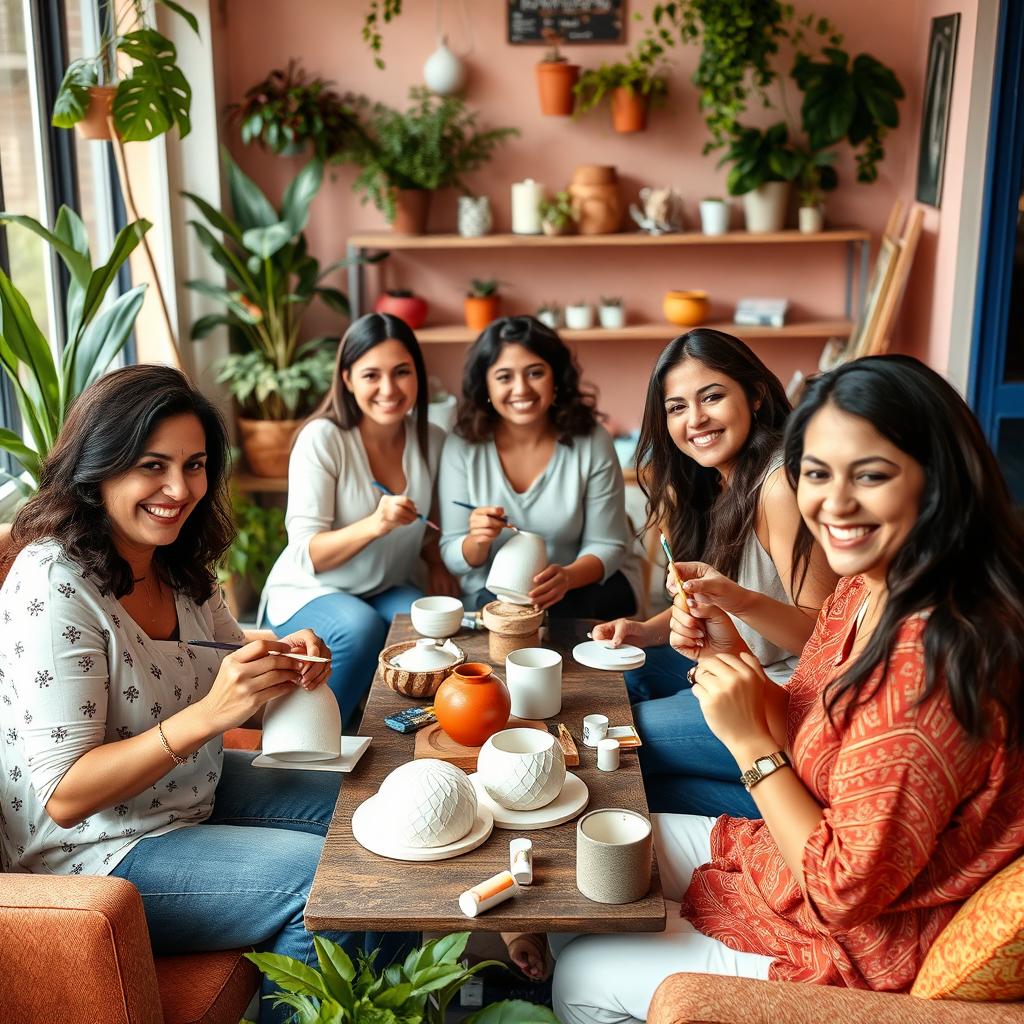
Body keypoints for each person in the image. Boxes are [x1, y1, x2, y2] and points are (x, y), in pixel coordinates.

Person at [550, 355, 1024, 1024]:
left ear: (940, 481)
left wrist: (748, 743)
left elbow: (839, 893)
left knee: (585, 970)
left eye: (872, 475)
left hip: (866, 939)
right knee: (593, 864)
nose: (834, 503)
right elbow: (804, 713)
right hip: (796, 858)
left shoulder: (937, 671)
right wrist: (730, 651)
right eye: (817, 474)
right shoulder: (866, 588)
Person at [0, 365, 398, 1024]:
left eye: (195, 465)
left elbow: (231, 667)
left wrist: (283, 668)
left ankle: (388, 1003)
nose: (178, 489)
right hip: (92, 851)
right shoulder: (53, 585)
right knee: (336, 880)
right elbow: (64, 795)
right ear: (98, 466)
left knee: (385, 805)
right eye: (152, 466)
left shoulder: (176, 562)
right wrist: (213, 713)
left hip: (186, 789)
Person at [595, 330, 834, 817]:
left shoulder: (778, 489)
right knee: (617, 682)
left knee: (613, 741)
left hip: (786, 696)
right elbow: (707, 598)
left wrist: (739, 600)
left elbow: (821, 638)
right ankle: (765, 807)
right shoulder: (714, 480)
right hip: (732, 664)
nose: (695, 419)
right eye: (677, 407)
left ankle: (785, 804)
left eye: (712, 397)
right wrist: (647, 630)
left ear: (756, 394)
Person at [261, 313, 458, 728]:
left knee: (430, 626)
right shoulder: (323, 439)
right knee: (358, 627)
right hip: (311, 590)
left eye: (401, 372)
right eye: (372, 375)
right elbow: (309, 554)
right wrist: (376, 523)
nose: (389, 389)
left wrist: (437, 564)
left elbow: (428, 526)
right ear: (348, 378)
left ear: (418, 376)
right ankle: (318, 743)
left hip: (383, 586)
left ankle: (386, 736)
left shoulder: (433, 440)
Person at [439, 316, 642, 618]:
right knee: (504, 618)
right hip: (495, 595)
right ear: (485, 385)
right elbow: (453, 556)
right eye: (504, 377)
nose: (521, 389)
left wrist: (568, 577)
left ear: (556, 378)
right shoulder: (462, 444)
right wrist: (476, 542)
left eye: (535, 373)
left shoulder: (590, 439)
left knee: (567, 618)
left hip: (583, 586)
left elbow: (608, 545)